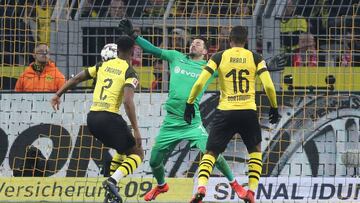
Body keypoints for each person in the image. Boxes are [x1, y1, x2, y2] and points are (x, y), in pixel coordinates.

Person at [118, 18, 246, 202]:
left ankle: (235, 184)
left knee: (213, 153)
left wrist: (261, 67)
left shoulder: (209, 66)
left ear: (205, 51)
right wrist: (134, 36)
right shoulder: (175, 57)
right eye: (193, 42)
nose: (194, 44)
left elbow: (236, 67)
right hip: (171, 122)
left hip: (192, 122)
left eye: (198, 44)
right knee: (154, 161)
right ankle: (162, 185)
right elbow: (152, 49)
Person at [184, 26, 280, 203]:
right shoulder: (255, 57)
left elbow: (199, 83)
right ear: (246, 41)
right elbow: (268, 85)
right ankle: (251, 192)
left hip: (226, 111)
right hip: (248, 111)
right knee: (255, 151)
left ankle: (202, 187)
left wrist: (190, 103)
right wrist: (274, 107)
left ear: (229, 40)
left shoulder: (219, 56)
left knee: (211, 152)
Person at [50, 35, 144, 203]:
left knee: (122, 151)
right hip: (109, 118)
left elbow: (77, 78)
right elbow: (128, 101)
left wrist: (58, 94)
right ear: (131, 51)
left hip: (92, 119)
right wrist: (136, 128)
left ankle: (110, 193)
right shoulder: (130, 71)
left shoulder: (102, 65)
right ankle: (112, 181)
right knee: (137, 154)